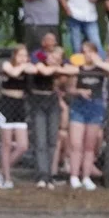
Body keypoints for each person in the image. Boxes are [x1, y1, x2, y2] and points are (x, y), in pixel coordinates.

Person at [66, 41, 109, 190]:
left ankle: (86, 176)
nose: (87, 55)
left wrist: (99, 62)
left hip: (95, 107)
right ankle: (74, 175)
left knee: (90, 145)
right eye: (85, 52)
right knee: (76, 144)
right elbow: (70, 89)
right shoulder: (78, 69)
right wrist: (79, 92)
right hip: (79, 107)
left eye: (90, 51)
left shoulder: (101, 69)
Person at [27, 46, 77, 189]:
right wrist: (57, 69)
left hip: (52, 102)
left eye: (56, 58)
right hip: (38, 101)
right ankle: (42, 175)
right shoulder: (40, 64)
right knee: (41, 140)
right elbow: (44, 71)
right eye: (51, 57)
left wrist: (58, 68)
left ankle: (49, 175)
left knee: (52, 140)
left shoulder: (59, 69)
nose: (52, 60)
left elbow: (74, 70)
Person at [0, 45, 32, 190]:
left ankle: (2, 171)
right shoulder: (7, 65)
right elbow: (13, 73)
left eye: (25, 56)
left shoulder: (27, 68)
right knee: (7, 143)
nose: (23, 58)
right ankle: (7, 178)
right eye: (20, 55)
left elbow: (35, 70)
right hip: (7, 104)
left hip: (20, 105)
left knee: (22, 145)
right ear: (15, 56)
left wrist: (29, 66)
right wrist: (23, 66)